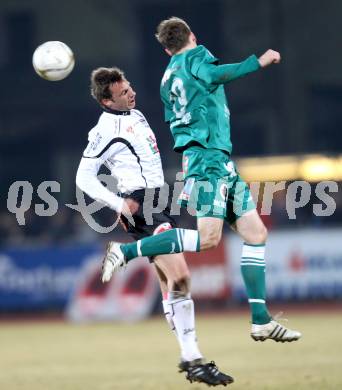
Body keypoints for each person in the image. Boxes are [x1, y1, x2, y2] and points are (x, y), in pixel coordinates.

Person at [102, 17, 301, 344]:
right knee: (209, 238)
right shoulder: (197, 56)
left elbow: (177, 121)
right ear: (191, 36)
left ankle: (260, 320)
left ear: (166, 48)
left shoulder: (167, 79)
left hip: (213, 159)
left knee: (255, 232)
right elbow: (215, 74)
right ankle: (125, 253)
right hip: (208, 158)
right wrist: (259, 62)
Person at [76, 67, 233, 386]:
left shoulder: (135, 113)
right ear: (107, 101)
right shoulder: (106, 129)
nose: (131, 92)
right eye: (122, 93)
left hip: (158, 201)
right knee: (183, 275)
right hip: (142, 206)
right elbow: (83, 177)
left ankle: (191, 359)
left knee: (171, 283)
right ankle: (192, 358)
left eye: (129, 86)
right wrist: (119, 204)